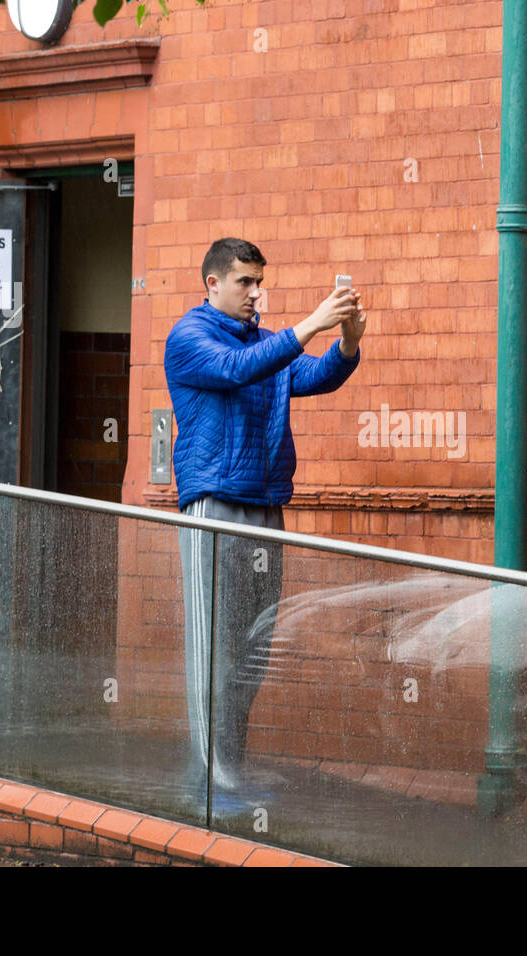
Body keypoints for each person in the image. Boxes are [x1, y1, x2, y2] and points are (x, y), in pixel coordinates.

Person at [164, 237, 365, 797]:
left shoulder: (269, 345)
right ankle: (208, 772)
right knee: (214, 643)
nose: (256, 292)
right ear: (212, 284)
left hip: (266, 506)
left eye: (259, 281)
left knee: (253, 644)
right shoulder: (189, 337)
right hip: (214, 505)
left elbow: (312, 376)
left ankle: (232, 760)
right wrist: (311, 324)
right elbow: (236, 370)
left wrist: (347, 340)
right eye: (243, 282)